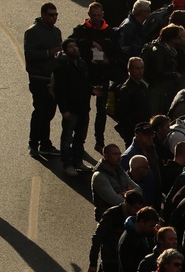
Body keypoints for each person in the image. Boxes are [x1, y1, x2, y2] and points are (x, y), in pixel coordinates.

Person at [70, 2, 121, 152]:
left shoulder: (110, 32)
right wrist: (90, 43)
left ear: (103, 15)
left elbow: (118, 53)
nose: (97, 19)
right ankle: (78, 140)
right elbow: (70, 43)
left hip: (102, 76)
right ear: (89, 15)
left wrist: (108, 60)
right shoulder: (81, 30)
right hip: (85, 77)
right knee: (82, 110)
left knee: (101, 111)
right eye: (94, 16)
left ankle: (100, 141)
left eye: (99, 15)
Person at [89, 190, 145, 272]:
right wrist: (93, 262)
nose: (137, 212)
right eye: (135, 208)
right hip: (110, 259)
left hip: (122, 261)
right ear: (127, 204)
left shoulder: (136, 219)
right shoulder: (112, 215)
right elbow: (98, 237)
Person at [52, 38, 99, 176]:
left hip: (83, 107)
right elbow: (60, 91)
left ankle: (78, 162)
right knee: (67, 139)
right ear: (66, 51)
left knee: (80, 137)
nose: (75, 48)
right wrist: (64, 110)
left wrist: (92, 89)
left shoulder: (82, 63)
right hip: (71, 109)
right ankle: (67, 165)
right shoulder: (62, 68)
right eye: (71, 47)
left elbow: (85, 82)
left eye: (75, 46)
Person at [24, 2, 62, 158]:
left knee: (49, 112)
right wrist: (49, 52)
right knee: (40, 111)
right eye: (51, 15)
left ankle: (45, 144)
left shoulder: (56, 32)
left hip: (53, 80)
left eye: (56, 14)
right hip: (38, 79)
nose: (54, 17)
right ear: (43, 15)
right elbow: (30, 54)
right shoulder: (33, 32)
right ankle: (33, 144)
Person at [91, 143, 143, 221]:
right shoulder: (99, 176)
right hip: (108, 219)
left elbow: (138, 190)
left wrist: (122, 194)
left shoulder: (119, 170)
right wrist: (129, 193)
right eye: (115, 154)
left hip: (122, 215)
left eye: (119, 154)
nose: (119, 157)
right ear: (105, 156)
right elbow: (115, 201)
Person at [118, 205, 160, 272]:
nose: (152, 229)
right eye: (151, 226)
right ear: (141, 222)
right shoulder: (128, 241)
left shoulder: (143, 234)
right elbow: (130, 270)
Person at [123, 124, 163, 208]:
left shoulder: (152, 149)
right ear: (137, 135)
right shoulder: (128, 156)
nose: (150, 137)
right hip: (141, 205)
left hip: (155, 200)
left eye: (151, 135)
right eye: (146, 135)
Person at [117, 56, 151, 145]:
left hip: (145, 129)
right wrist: (134, 129)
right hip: (133, 132)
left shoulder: (143, 86)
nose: (140, 71)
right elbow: (123, 114)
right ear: (129, 70)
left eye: (142, 68)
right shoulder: (126, 89)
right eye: (137, 68)